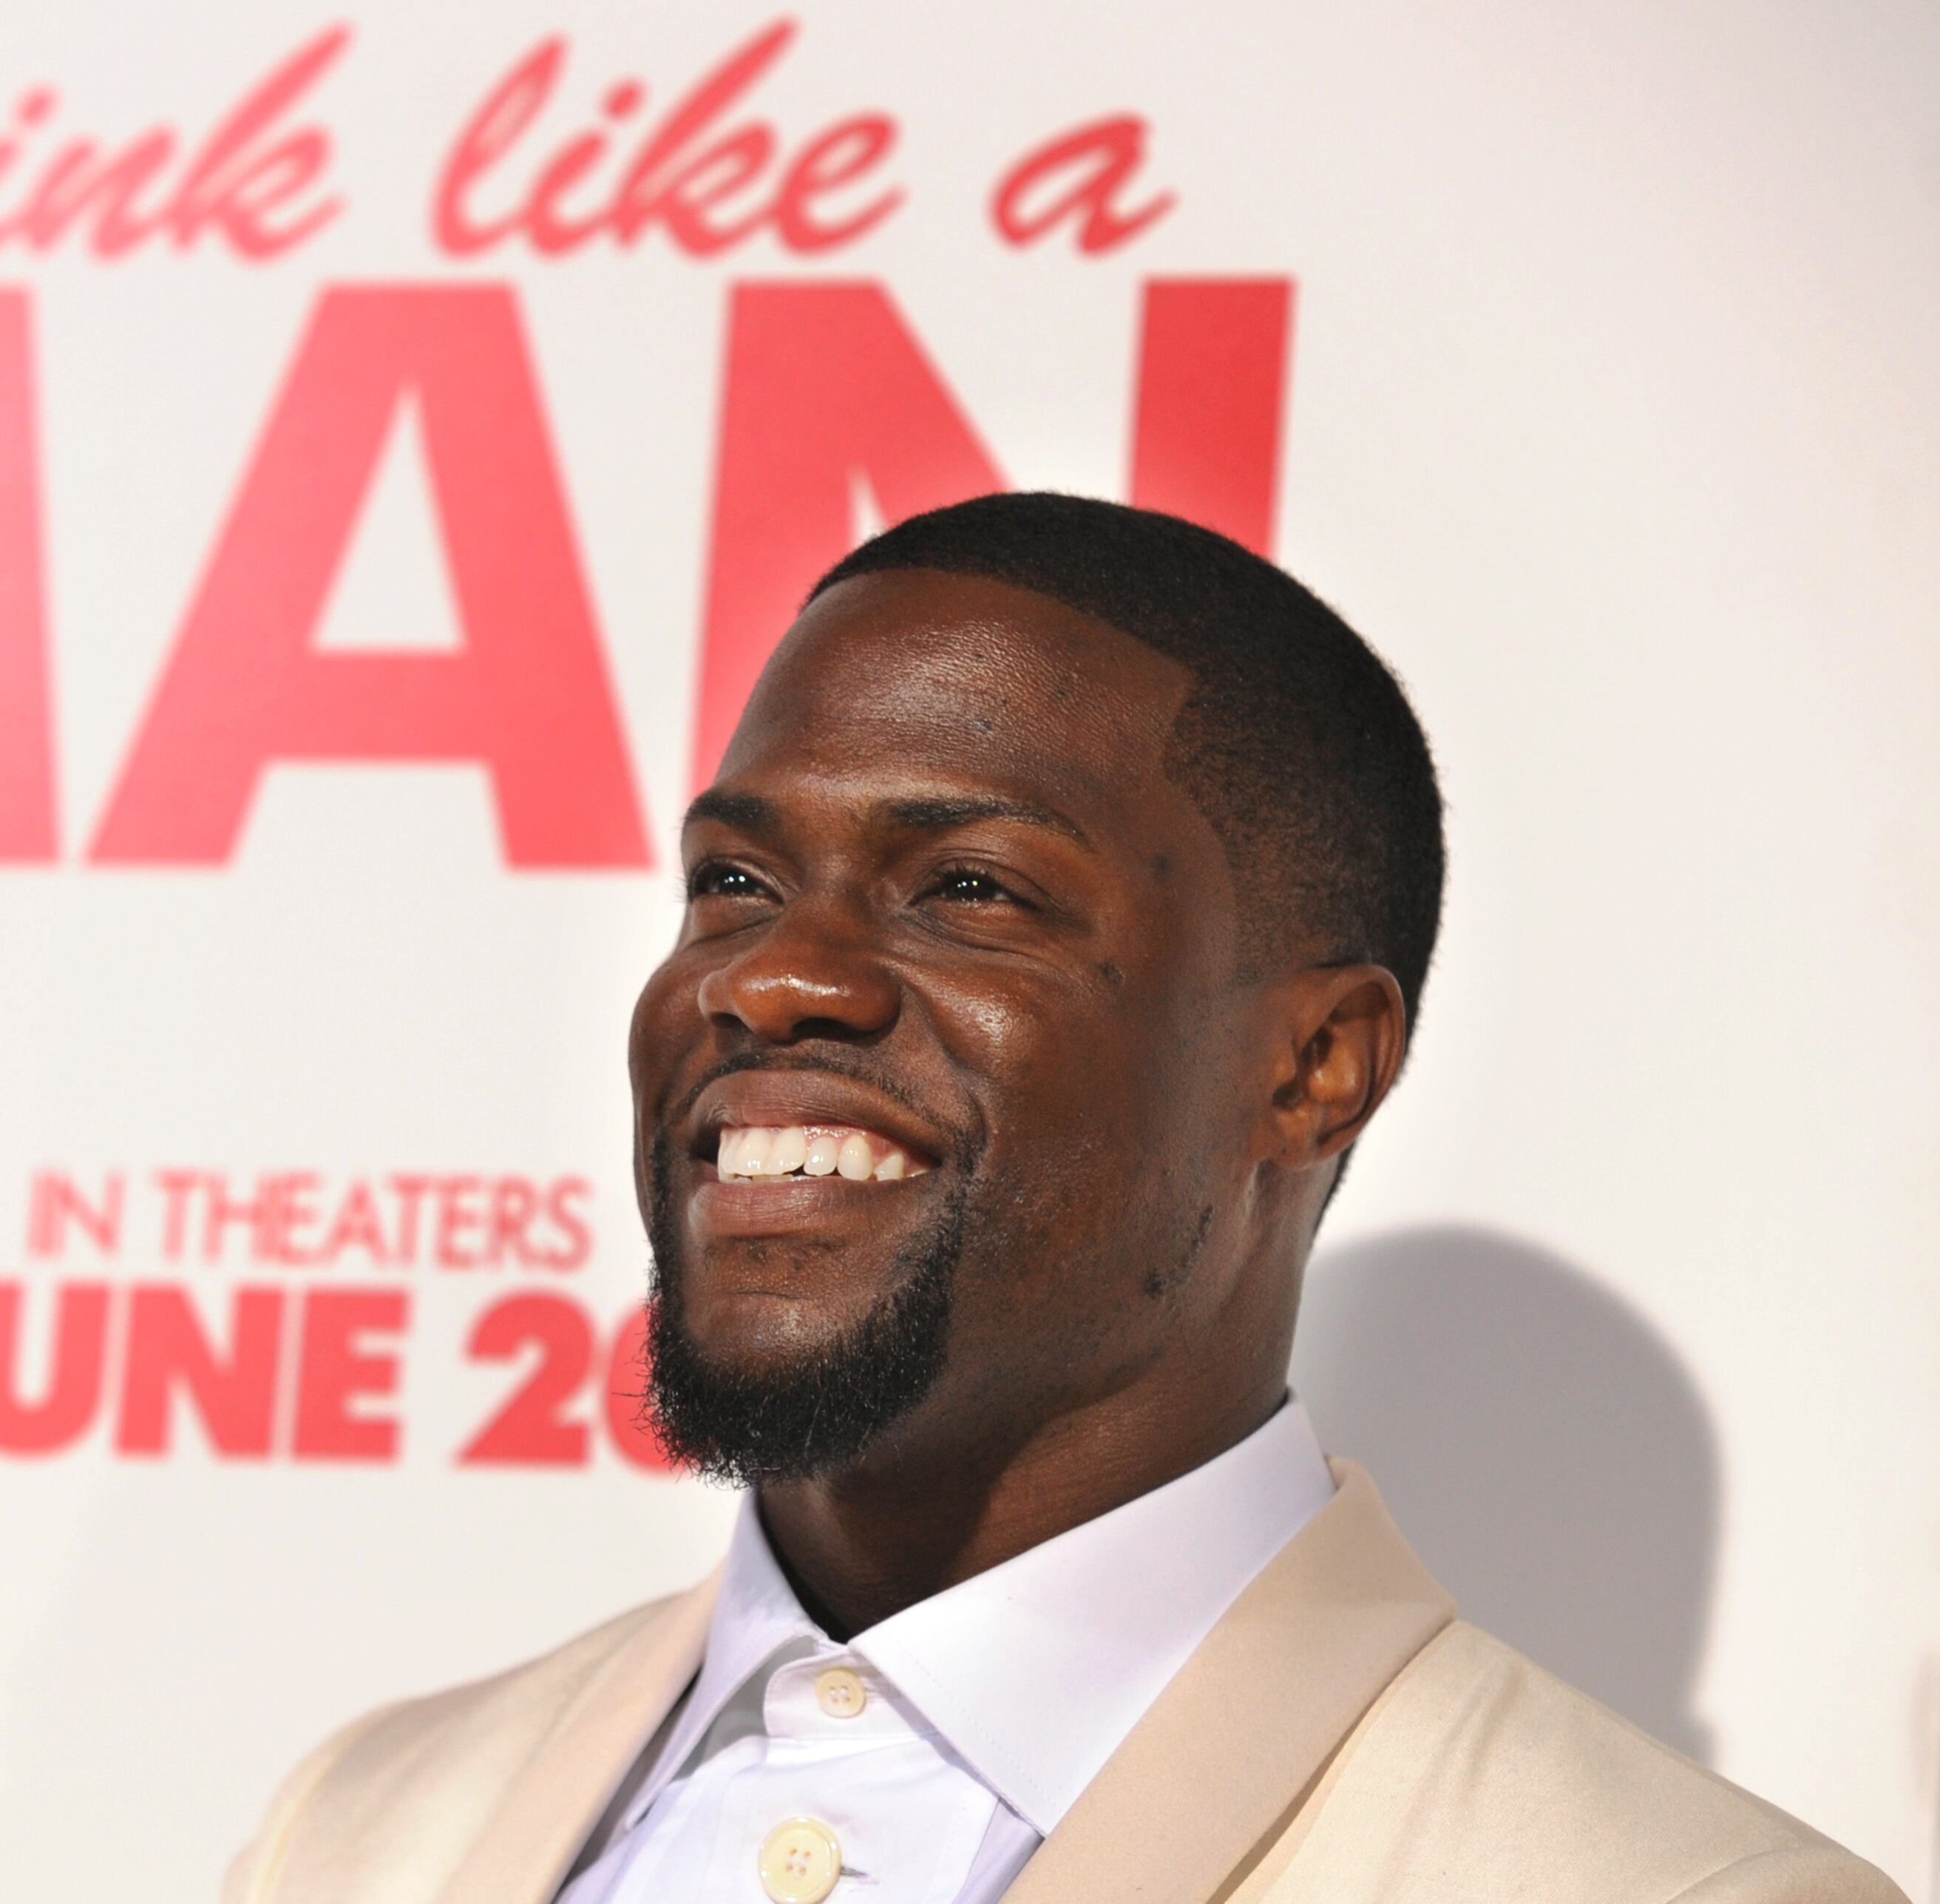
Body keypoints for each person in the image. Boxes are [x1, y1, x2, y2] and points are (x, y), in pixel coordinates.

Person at [222, 495, 1901, 1904]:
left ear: (1313, 1063)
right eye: (734, 880)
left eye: (971, 888)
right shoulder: (365, 1826)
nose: (775, 978)